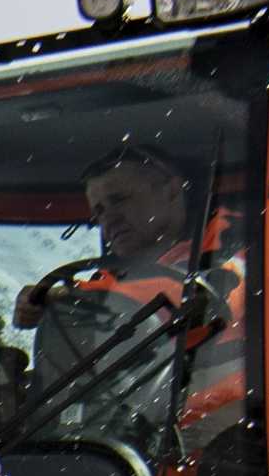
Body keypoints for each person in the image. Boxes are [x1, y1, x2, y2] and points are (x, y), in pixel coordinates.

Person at [17, 140, 231, 454]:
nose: (108, 219)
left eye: (119, 200)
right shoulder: (112, 280)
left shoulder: (229, 256)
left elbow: (168, 299)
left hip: (218, 464)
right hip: (132, 458)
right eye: (99, 211)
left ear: (172, 191)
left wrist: (59, 296)